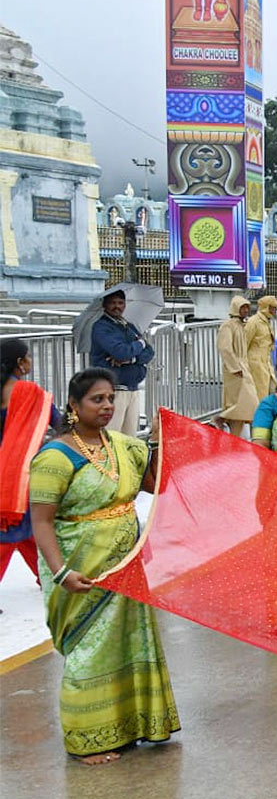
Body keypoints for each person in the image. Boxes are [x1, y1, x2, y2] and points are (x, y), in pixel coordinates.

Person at [28, 368, 179, 764]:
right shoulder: (55, 457)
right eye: (97, 399)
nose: (108, 406)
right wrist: (61, 573)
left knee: (128, 642)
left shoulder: (122, 446)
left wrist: (163, 442)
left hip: (127, 568)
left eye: (111, 398)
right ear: (74, 407)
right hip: (83, 571)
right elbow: (41, 520)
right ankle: (86, 741)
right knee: (89, 651)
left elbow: (153, 483)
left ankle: (132, 726)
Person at [1, 339, 59, 584]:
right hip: (17, 471)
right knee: (11, 530)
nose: (31, 361)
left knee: (28, 528)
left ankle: (48, 575)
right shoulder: (28, 392)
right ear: (19, 363)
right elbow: (58, 422)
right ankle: (50, 575)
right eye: (28, 356)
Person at [88, 288, 154, 436]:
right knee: (111, 435)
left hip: (132, 388)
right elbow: (120, 351)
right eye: (112, 303)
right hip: (113, 390)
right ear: (104, 305)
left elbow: (149, 352)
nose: (117, 306)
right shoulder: (101, 327)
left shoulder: (128, 326)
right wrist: (140, 344)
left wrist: (132, 358)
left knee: (129, 437)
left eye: (120, 302)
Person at [217, 295, 258, 437]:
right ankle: (221, 418)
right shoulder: (227, 326)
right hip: (235, 369)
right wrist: (235, 367)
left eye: (247, 307)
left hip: (244, 367)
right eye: (243, 307)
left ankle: (235, 438)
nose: (246, 310)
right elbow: (225, 348)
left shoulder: (242, 326)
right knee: (243, 402)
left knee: (243, 407)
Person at [245, 295, 277, 400]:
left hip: (266, 361)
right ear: (266, 307)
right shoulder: (253, 322)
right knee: (260, 393)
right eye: (273, 307)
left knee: (273, 389)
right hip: (255, 363)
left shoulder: (266, 321)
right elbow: (244, 344)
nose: (275, 310)